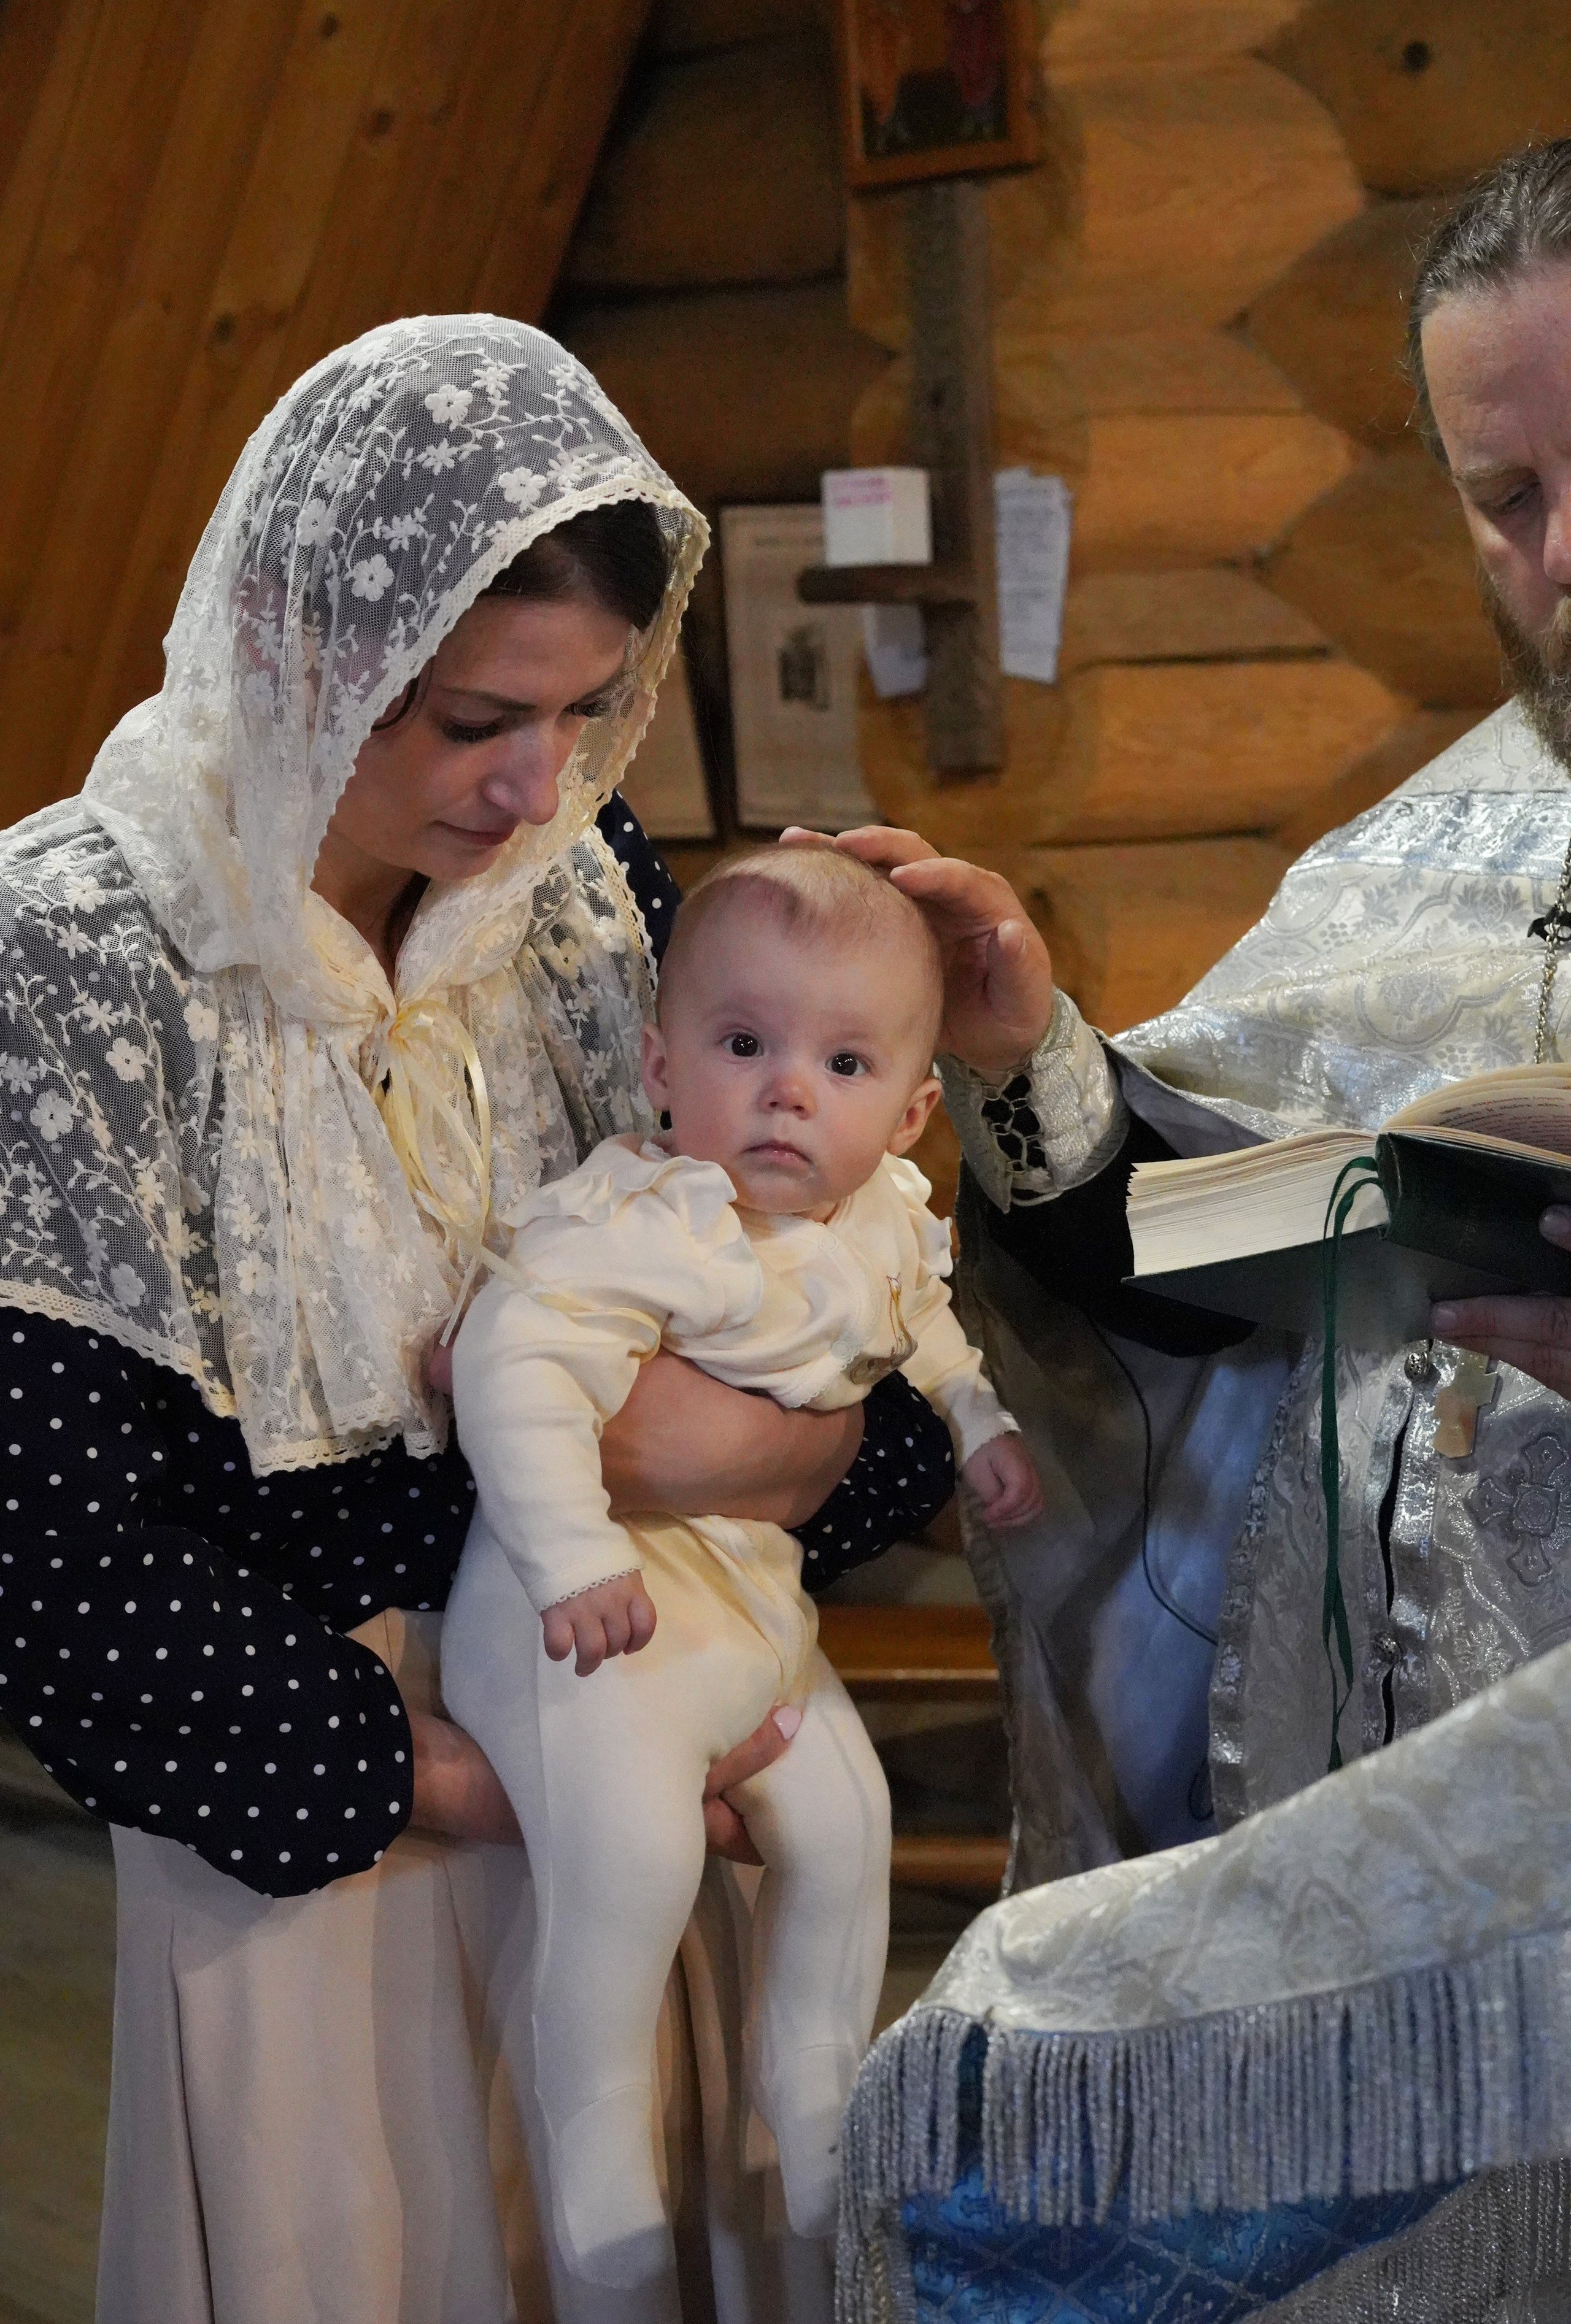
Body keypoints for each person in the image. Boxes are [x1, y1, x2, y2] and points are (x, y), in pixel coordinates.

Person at [0, 315, 965, 2324]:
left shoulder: (583, 891)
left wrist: (743, 1457)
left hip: (645, 1713)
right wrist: (460, 1773)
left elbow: (828, 1348)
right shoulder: (80, 951)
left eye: (588, 707)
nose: (536, 778)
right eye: (466, 717)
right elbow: (52, 1559)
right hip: (332, 1822)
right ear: (288, 639)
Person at [810, 137, 1571, 1896]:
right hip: (1422, 1850)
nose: (1559, 550)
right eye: (1505, 491)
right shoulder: (1406, 860)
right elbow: (1187, 1267)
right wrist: (1025, 1055)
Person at [444, 848, 1040, 2292]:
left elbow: (926, 1323)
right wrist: (573, 1551)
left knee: (846, 1823)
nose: (786, 1090)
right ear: (659, 1064)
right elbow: (510, 1366)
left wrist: (976, 1420)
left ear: (906, 1111)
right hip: (586, 1614)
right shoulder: (636, 1224)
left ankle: (821, 2119)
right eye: (741, 1044)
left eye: (839, 1061)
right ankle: (601, 2208)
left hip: (753, 1609)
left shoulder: (880, 1216)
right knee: (634, 1865)